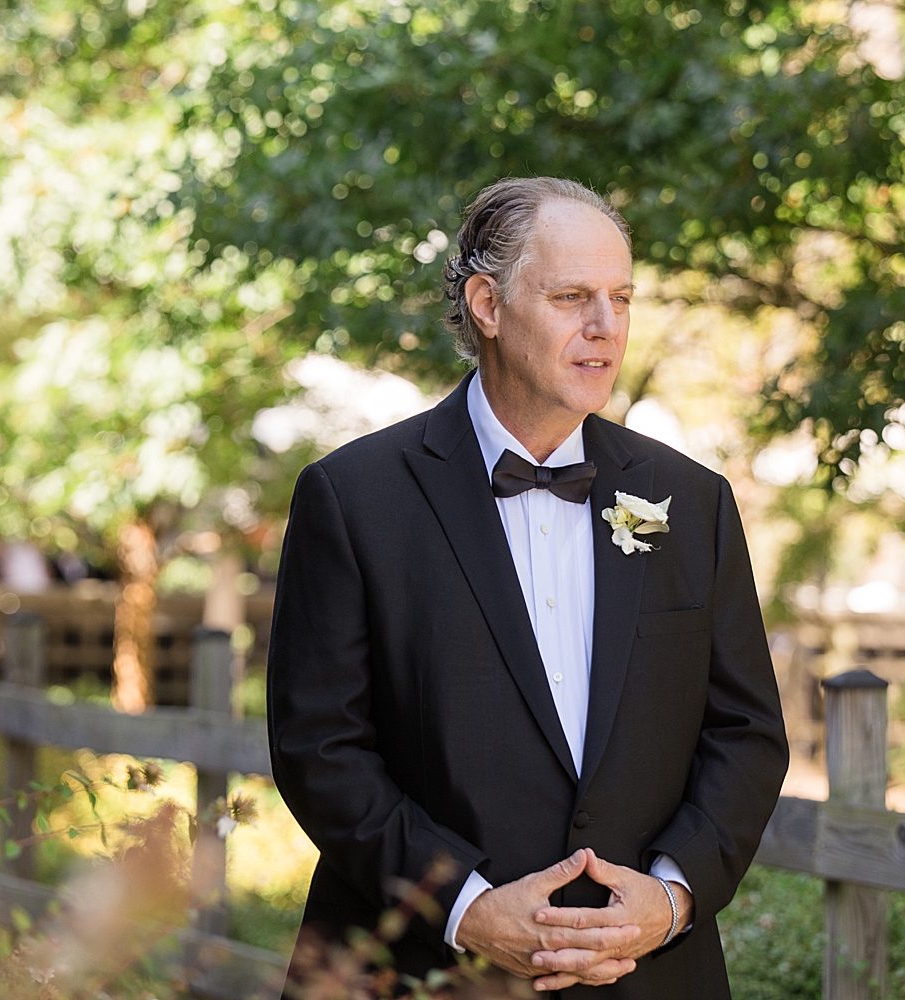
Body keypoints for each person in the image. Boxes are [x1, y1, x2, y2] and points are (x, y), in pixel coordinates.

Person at [267, 177, 787, 997]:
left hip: (648, 975)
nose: (605, 327)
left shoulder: (692, 502)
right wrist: (464, 908)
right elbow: (319, 747)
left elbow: (746, 734)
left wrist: (672, 896)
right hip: (416, 969)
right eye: (573, 296)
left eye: (621, 298)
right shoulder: (353, 498)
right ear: (488, 303)